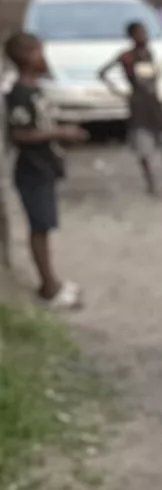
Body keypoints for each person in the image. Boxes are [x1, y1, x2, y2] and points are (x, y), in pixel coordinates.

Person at [3, 33, 88, 308]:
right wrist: (59, 131)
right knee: (39, 227)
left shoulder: (35, 89)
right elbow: (21, 134)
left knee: (46, 226)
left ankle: (52, 281)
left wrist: (63, 132)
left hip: (45, 168)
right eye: (40, 52)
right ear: (27, 56)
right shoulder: (19, 93)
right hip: (32, 170)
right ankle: (49, 288)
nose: (45, 57)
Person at [99, 22, 162, 196]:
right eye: (140, 34)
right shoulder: (127, 57)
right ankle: (151, 183)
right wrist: (121, 92)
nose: (144, 37)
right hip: (139, 106)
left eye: (145, 33)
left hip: (155, 103)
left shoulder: (149, 54)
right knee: (143, 146)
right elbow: (103, 73)